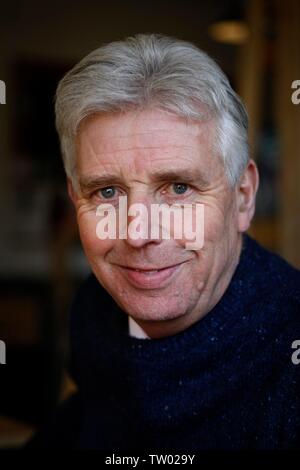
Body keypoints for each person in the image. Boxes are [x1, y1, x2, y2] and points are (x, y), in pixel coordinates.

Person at [28, 34, 300, 450]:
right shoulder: (95, 310)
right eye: (106, 193)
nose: (138, 233)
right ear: (73, 197)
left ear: (243, 197)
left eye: (178, 187)